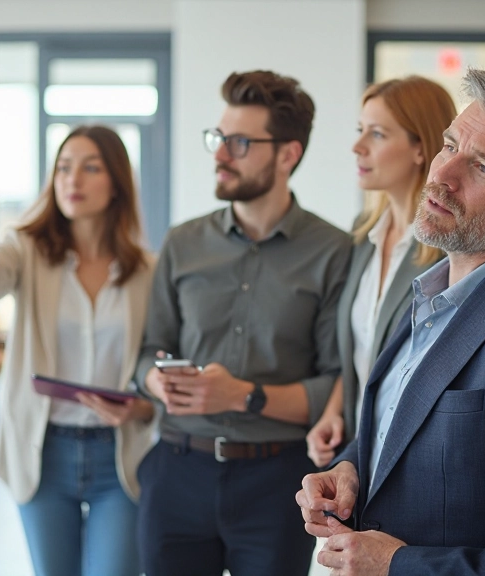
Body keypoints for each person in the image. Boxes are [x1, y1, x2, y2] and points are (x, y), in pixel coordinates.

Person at [296, 67, 485, 576]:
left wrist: (399, 564)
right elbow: (404, 429)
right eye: (449, 145)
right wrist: (350, 467)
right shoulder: (429, 291)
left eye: (482, 167)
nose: (442, 174)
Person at [134, 70, 353, 576]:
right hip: (176, 472)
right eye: (218, 138)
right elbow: (149, 350)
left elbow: (336, 382)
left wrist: (242, 395)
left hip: (277, 483)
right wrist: (158, 381)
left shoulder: (334, 252)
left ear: (287, 155)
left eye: (238, 143)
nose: (219, 154)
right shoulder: (182, 243)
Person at [0, 125, 156, 576]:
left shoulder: (145, 270)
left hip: (118, 457)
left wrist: (142, 407)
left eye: (90, 168)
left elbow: (156, 357)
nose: (72, 180)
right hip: (44, 452)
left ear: (116, 182)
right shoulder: (26, 249)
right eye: (63, 167)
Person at [306, 76, 458, 468]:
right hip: (357, 450)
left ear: (420, 148)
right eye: (360, 131)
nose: (357, 147)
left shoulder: (449, 251)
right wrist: (334, 411)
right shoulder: (363, 235)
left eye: (376, 134)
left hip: (410, 457)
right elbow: (361, 348)